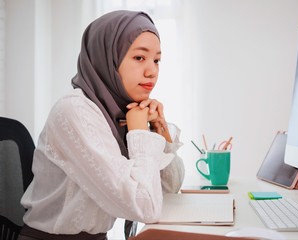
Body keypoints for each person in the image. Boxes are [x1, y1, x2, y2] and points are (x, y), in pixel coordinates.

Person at [18, 10, 185, 240]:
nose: (152, 71)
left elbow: (169, 188)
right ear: (106, 58)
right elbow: (145, 208)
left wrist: (160, 134)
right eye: (139, 58)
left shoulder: (123, 112)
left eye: (156, 60)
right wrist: (138, 135)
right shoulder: (75, 112)